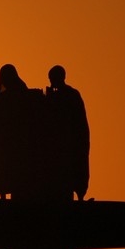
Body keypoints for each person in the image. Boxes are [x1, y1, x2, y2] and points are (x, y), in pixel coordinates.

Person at [0, 64, 41, 199]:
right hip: (3, 141)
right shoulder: (3, 97)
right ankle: (3, 194)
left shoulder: (19, 94)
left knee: (13, 169)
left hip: (16, 142)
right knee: (3, 168)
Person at [44, 65, 90, 201]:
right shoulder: (57, 95)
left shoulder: (71, 95)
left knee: (73, 171)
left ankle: (79, 195)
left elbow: (75, 121)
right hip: (58, 146)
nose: (51, 82)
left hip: (71, 144)